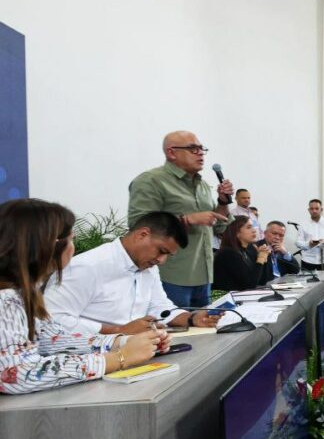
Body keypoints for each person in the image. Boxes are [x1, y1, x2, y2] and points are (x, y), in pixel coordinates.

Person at [0, 199, 165, 394]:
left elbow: (51, 339)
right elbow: (17, 375)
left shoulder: (23, 293)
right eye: (71, 239)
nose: (74, 247)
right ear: (47, 246)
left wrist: (122, 342)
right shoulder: (7, 301)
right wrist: (118, 358)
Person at [45, 211, 222, 334]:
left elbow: (161, 308)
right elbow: (53, 320)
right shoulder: (87, 267)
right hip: (92, 356)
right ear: (142, 235)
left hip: (135, 351)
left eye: (168, 255)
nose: (161, 261)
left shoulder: (148, 267)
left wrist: (192, 319)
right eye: (161, 251)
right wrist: (118, 331)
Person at [128, 131, 233, 307]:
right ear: (171, 152)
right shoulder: (151, 181)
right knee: (175, 332)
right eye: (193, 148)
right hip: (171, 275)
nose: (200, 153)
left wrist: (222, 202)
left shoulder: (203, 186)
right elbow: (138, 225)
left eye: (202, 149)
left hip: (204, 274)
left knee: (204, 332)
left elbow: (219, 228)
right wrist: (188, 219)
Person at [213, 216, 272, 292]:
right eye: (249, 227)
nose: (254, 230)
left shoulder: (250, 248)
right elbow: (249, 285)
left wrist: (265, 257)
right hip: (226, 298)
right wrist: (260, 259)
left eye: (253, 227)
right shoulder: (228, 253)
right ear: (237, 233)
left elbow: (263, 280)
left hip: (243, 296)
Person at [295, 199, 324, 271]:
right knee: (307, 282)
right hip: (307, 261)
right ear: (308, 210)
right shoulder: (303, 225)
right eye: (312, 209)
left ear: (321, 209)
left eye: (317, 208)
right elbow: (298, 243)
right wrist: (309, 244)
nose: (314, 211)